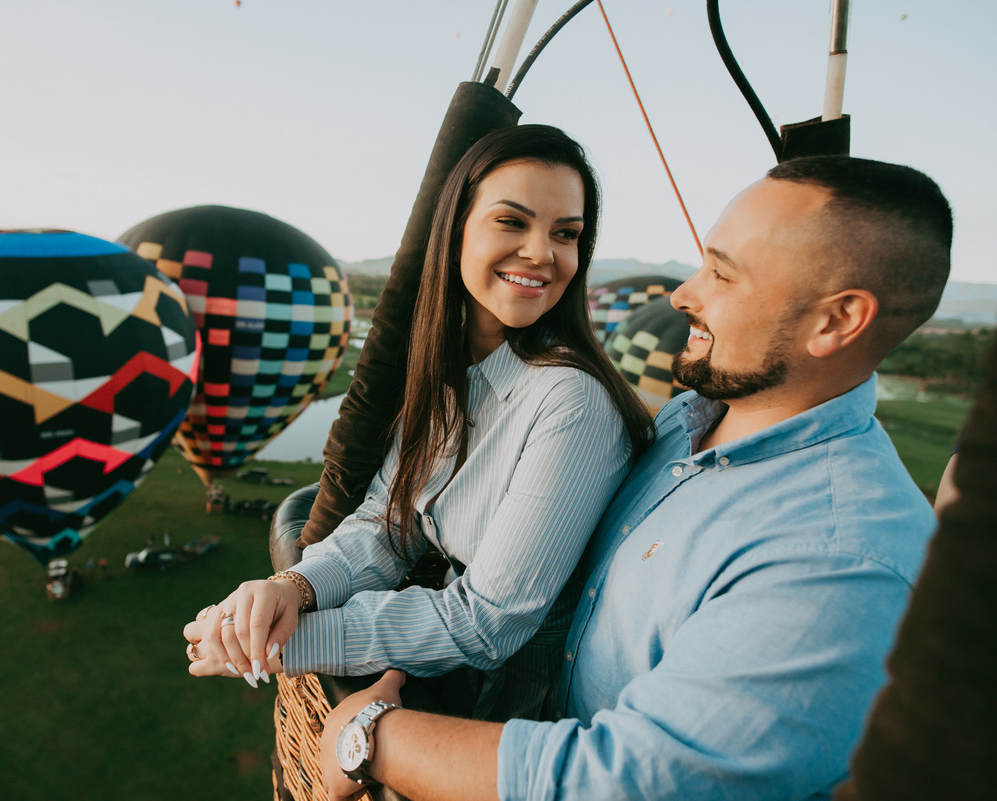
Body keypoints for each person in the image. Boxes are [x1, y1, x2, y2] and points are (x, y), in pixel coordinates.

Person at [311, 155, 953, 801]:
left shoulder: (841, 559)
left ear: (837, 320)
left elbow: (630, 782)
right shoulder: (687, 420)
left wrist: (372, 737)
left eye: (722, 273)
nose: (684, 294)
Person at [183, 124, 655, 721]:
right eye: (512, 222)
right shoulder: (450, 369)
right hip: (446, 684)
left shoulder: (571, 400)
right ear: (454, 229)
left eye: (566, 234)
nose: (543, 253)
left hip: (504, 722)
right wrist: (292, 590)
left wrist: (283, 644)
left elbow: (489, 622)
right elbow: (390, 519)